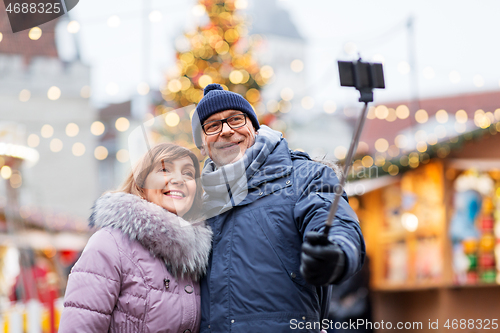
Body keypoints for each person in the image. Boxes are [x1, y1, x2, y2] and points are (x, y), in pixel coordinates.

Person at [191, 84, 366, 332]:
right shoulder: (198, 201)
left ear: (254, 126)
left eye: (235, 119)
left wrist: (336, 252)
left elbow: (334, 221)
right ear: (202, 146)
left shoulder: (305, 176)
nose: (227, 131)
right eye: (212, 126)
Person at [59, 143, 212, 332]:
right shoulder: (109, 244)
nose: (179, 179)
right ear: (141, 183)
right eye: (165, 169)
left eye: (188, 173)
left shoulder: (200, 254)